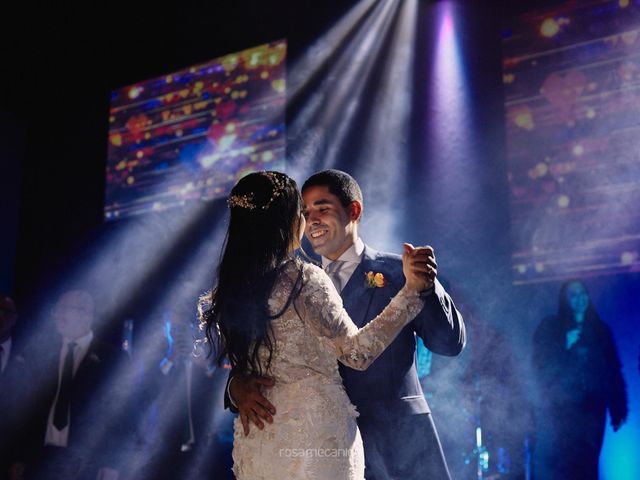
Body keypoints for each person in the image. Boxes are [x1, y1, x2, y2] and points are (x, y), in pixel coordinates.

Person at [217, 170, 466, 479]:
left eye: (322, 208)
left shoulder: (400, 270)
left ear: (354, 211)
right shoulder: (277, 283)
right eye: (305, 212)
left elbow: (449, 343)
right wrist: (235, 386)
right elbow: (251, 356)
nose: (312, 220)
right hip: (311, 447)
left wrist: (424, 286)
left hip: (397, 444)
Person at [16, 290, 129, 480]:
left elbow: (121, 414)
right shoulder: (41, 354)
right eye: (56, 310)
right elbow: (24, 411)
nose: (57, 315)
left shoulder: (113, 358)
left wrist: (110, 463)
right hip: (38, 461)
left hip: (86, 464)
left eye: (63, 309)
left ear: (86, 313)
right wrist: (19, 456)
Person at [533, 280, 628, 480]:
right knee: (569, 459)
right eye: (573, 295)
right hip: (564, 405)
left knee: (590, 458)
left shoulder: (600, 330)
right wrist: (564, 345)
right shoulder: (551, 327)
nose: (579, 298)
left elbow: (612, 371)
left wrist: (618, 407)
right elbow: (541, 365)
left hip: (593, 405)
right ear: (565, 300)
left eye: (582, 292)